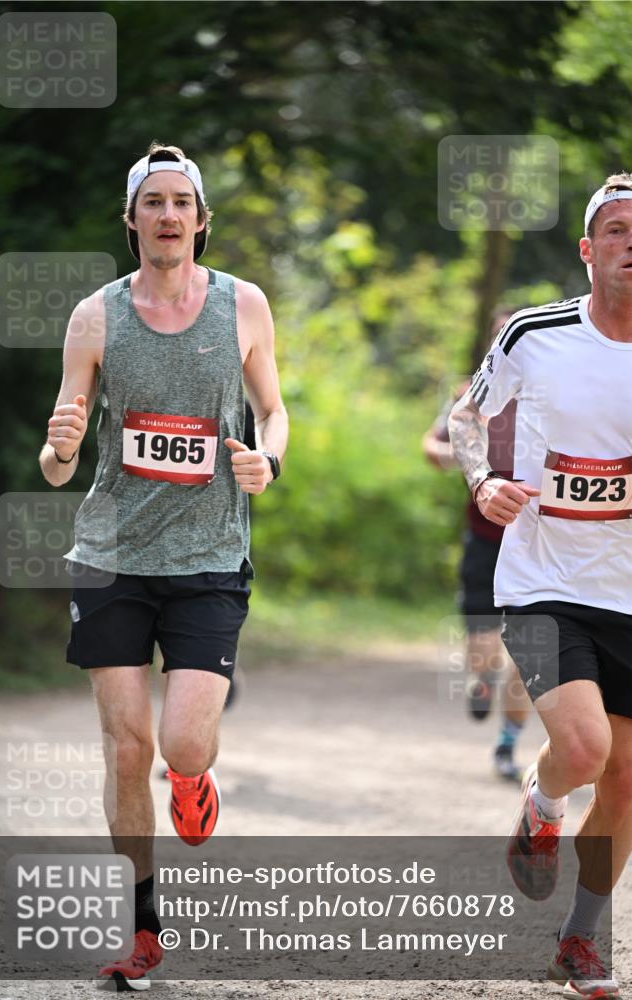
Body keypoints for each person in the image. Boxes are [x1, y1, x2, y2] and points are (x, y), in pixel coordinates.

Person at [39, 142, 288, 987]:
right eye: (153, 203)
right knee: (123, 747)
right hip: (111, 554)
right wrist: (57, 449)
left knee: (181, 746)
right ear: (133, 220)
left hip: (212, 555)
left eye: (182, 202)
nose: (169, 215)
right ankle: (143, 927)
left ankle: (194, 778)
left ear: (202, 221)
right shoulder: (94, 316)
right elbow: (60, 456)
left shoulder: (243, 306)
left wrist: (268, 460)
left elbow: (274, 410)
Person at [448, 173, 632, 999]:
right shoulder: (534, 332)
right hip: (541, 578)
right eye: (619, 230)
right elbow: (463, 419)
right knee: (586, 751)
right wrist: (482, 480)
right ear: (590, 251)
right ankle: (543, 802)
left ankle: (579, 941)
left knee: (627, 776)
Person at [422, 306, 531, 782]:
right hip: (485, 540)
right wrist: (457, 458)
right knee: (485, 649)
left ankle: (507, 747)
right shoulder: (469, 395)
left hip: (537, 544)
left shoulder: (555, 395)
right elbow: (432, 444)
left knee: (533, 652)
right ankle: (484, 677)